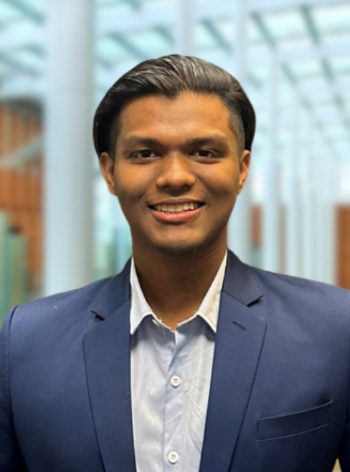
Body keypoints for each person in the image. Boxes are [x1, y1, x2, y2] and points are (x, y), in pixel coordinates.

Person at [0, 54, 349, 472]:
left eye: (204, 152)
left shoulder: (335, 330)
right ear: (110, 172)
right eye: (145, 153)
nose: (175, 176)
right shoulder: (25, 343)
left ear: (242, 169)